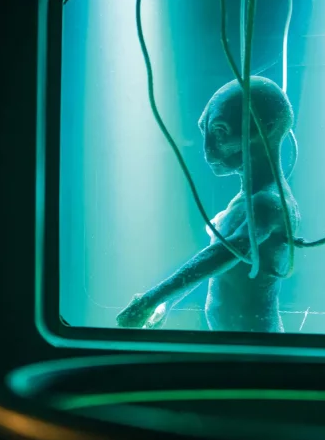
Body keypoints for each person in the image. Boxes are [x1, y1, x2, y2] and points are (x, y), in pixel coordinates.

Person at [117, 76, 298, 333]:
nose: (208, 151)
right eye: (205, 132)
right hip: (233, 343)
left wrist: (151, 299)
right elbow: (216, 264)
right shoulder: (247, 202)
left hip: (257, 346)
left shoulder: (270, 203)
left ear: (265, 128)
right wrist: (167, 303)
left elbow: (223, 255)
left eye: (220, 132)